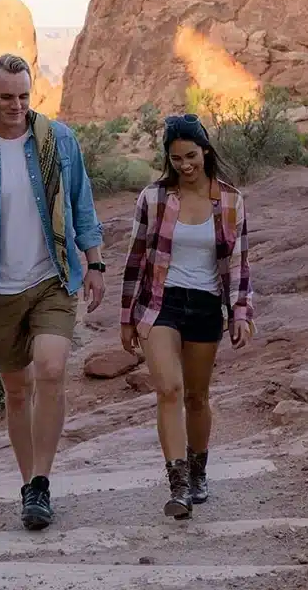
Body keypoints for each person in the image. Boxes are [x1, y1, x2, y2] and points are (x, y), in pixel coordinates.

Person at [0, 53, 106, 531]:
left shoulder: (60, 142)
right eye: (7, 97)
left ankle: (41, 484)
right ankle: (28, 482)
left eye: (24, 96)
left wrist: (94, 263)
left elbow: (82, 205)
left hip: (52, 277)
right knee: (17, 391)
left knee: (51, 369)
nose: (17, 105)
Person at [119, 113, 254, 520]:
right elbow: (136, 258)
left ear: (206, 151)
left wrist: (240, 313)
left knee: (197, 397)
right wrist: (126, 318)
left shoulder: (230, 200)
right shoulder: (154, 198)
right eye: (176, 159)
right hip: (161, 303)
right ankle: (177, 485)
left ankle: (198, 473)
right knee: (169, 390)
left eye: (191, 156)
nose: (185, 165)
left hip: (206, 304)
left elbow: (239, 263)